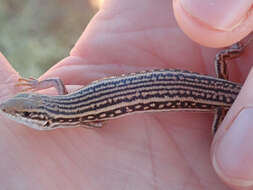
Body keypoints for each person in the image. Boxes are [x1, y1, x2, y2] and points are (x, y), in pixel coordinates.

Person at [0, 0, 252, 189]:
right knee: (222, 58)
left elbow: (99, 121)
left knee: (222, 134)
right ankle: (236, 51)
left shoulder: (80, 116)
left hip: (216, 102)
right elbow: (57, 83)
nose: (16, 115)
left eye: (25, 114)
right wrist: (37, 84)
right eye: (23, 113)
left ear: (45, 119)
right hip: (184, 84)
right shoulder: (65, 98)